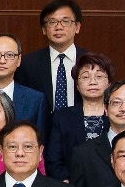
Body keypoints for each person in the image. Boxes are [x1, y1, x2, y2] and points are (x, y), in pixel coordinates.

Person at [46, 51, 114, 180]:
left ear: (109, 83)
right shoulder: (62, 117)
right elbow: (53, 160)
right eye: (85, 77)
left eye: (99, 76)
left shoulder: (117, 115)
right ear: (77, 84)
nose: (92, 82)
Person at [16, 0, 90, 115]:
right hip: (42, 130)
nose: (59, 27)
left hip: (81, 128)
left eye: (65, 21)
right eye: (52, 22)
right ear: (44, 29)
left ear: (77, 27)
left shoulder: (91, 61)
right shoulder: (28, 63)